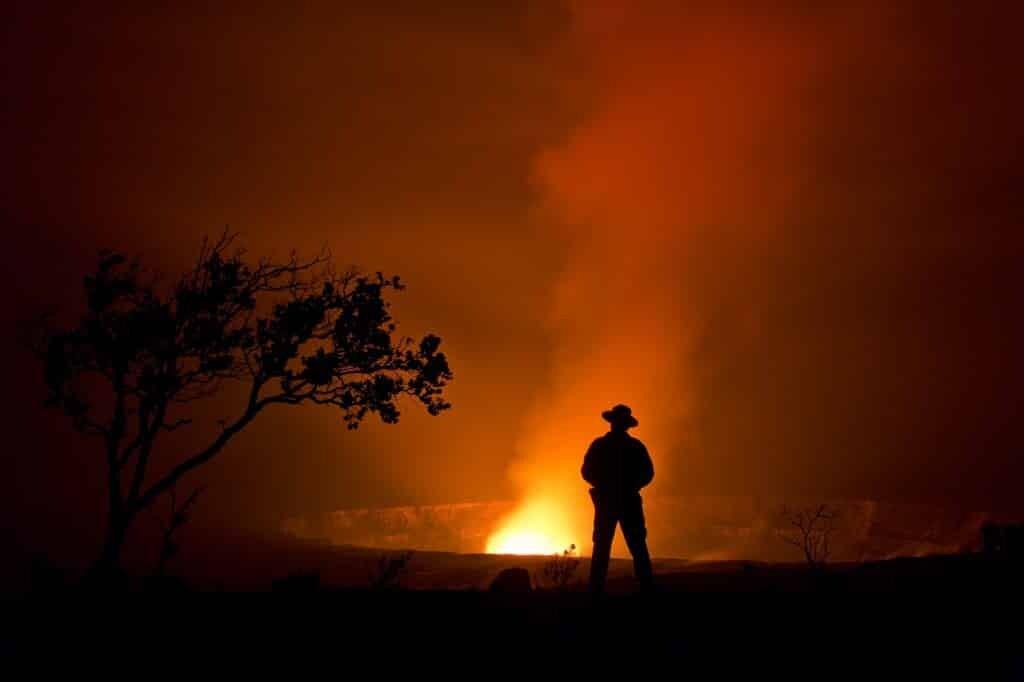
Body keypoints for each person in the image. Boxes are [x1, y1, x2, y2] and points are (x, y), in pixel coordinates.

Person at [581, 403, 654, 596]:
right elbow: (648, 473)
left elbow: (586, 472)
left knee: (603, 546)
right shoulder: (636, 446)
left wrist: (604, 486)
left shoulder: (599, 445)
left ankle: (595, 592)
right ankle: (647, 590)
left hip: (607, 503)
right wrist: (631, 486)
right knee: (637, 546)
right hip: (628, 501)